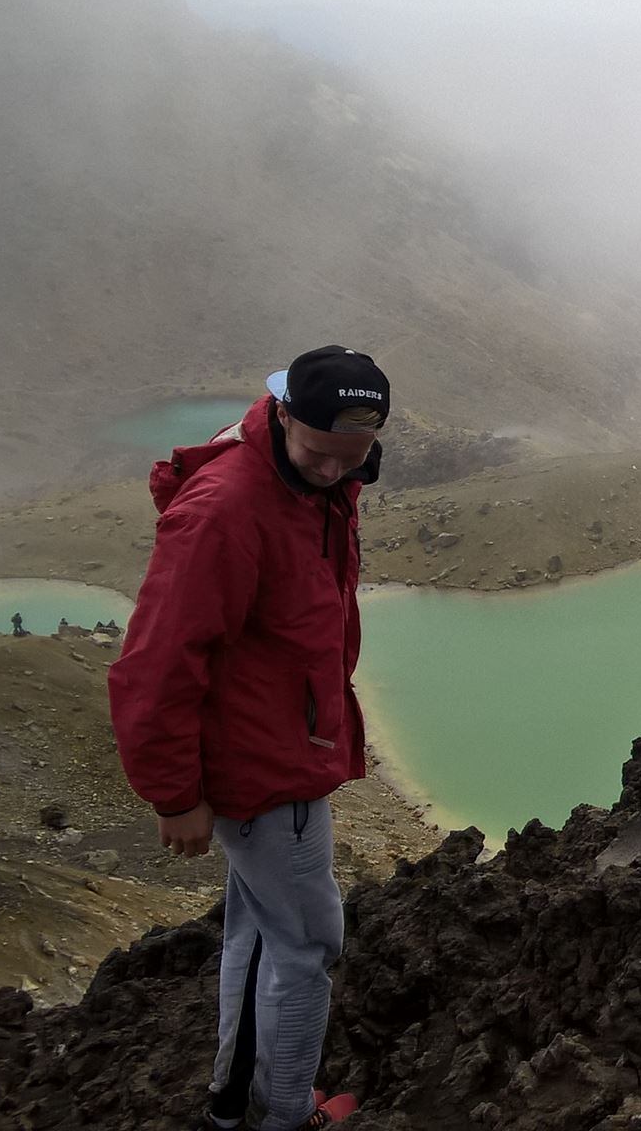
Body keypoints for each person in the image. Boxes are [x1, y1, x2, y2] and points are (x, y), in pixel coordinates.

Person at [110, 346, 391, 1130]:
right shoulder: (228, 510)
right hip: (265, 771)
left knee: (263, 934)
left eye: (354, 458)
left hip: (276, 746)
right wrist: (175, 793)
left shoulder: (309, 477)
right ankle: (285, 1118)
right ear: (286, 416)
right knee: (306, 945)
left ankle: (236, 1105)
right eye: (320, 454)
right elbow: (155, 663)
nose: (336, 473)